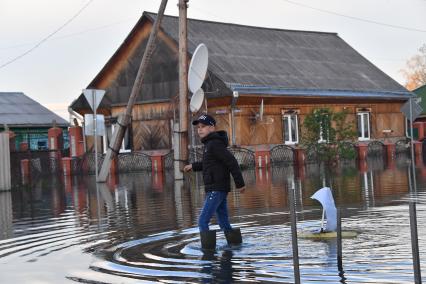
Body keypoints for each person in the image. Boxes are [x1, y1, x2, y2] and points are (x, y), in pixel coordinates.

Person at [184, 114, 246, 250]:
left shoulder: (214, 144)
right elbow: (208, 163)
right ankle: (236, 245)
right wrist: (193, 166)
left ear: (212, 128)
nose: (199, 130)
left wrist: (240, 183)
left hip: (216, 189)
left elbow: (232, 162)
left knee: (202, 221)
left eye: (203, 127)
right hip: (218, 188)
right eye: (198, 127)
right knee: (223, 222)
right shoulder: (209, 144)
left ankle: (208, 253)